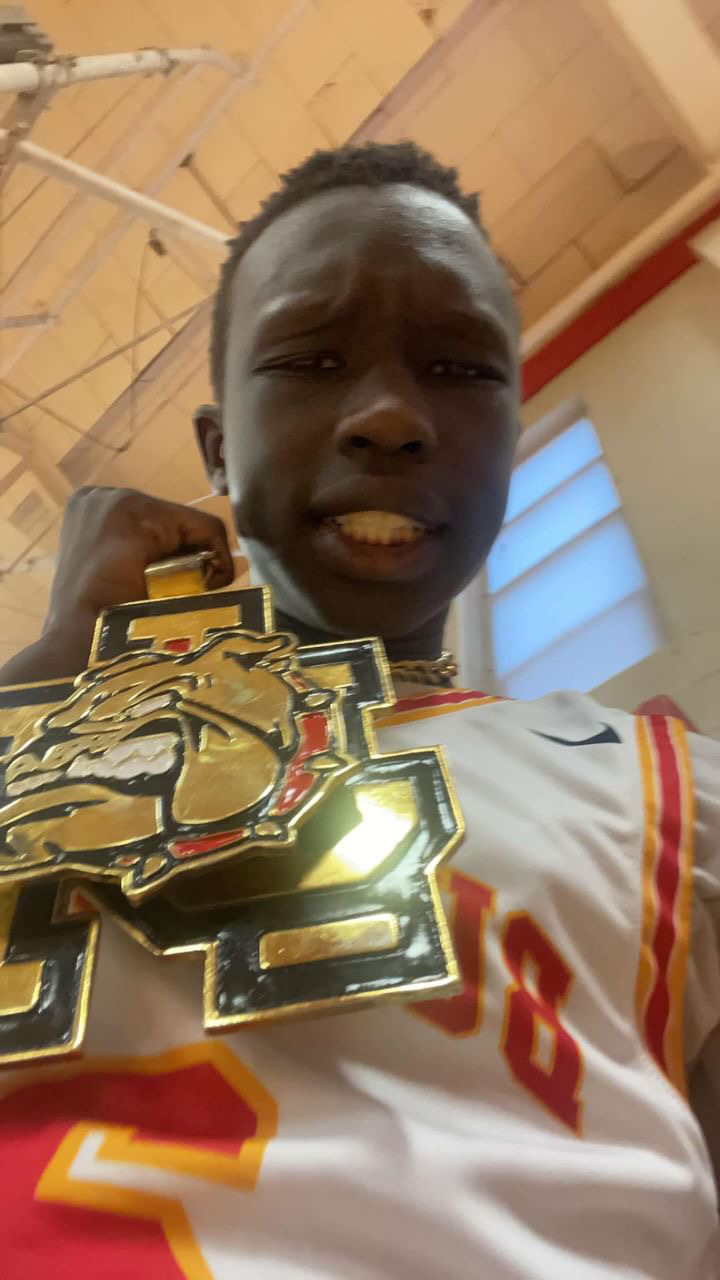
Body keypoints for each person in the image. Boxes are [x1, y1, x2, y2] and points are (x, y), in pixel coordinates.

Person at [1, 142, 718, 1279]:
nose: (389, 415)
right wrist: (59, 661)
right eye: (309, 358)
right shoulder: (57, 730)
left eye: (462, 369)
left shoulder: (670, 786)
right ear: (219, 448)